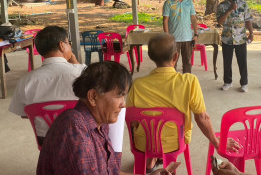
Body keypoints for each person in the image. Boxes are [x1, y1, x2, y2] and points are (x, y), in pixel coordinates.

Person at [127, 33, 239, 172]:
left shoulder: (137, 84)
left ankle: (150, 160)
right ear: (176, 56)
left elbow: (132, 120)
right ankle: (156, 159)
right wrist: (217, 143)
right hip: (174, 143)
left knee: (149, 127)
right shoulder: (189, 81)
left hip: (143, 143)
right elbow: (202, 117)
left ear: (151, 56)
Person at [36, 61, 170, 175]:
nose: (123, 104)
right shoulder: (74, 128)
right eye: (119, 96)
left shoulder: (99, 123)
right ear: (93, 97)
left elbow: (110, 172)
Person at [8, 25, 86, 145]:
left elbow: (24, 115)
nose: (70, 46)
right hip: (79, 138)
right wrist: (76, 64)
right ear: (62, 45)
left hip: (47, 141)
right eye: (68, 43)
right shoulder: (82, 72)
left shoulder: (25, 81)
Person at [217, 0, 253, 92]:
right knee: (227, 61)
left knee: (242, 62)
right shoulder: (221, 6)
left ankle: (244, 83)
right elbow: (219, 22)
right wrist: (230, 10)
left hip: (241, 38)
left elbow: (248, 20)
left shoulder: (243, 4)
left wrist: (251, 33)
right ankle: (228, 82)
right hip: (227, 39)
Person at [162, 0, 198, 73]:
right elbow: (165, 21)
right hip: (174, 38)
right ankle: (173, 83)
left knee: (187, 63)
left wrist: (196, 34)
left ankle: (187, 82)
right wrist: (167, 36)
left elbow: (193, 19)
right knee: (172, 63)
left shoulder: (189, 2)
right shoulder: (168, 3)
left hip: (188, 38)